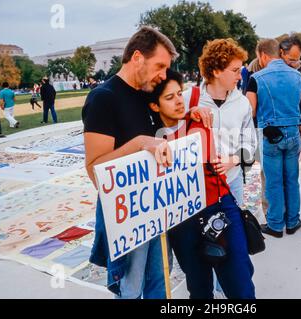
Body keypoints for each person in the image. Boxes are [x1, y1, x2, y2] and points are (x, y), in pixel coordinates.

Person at [82, 26, 180, 299]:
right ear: (137, 57)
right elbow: (95, 171)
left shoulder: (147, 95)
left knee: (160, 281)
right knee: (131, 289)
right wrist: (138, 144)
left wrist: (196, 113)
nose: (163, 74)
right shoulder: (103, 98)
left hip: (155, 208)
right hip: (127, 217)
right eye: (160, 66)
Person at [148, 68, 255, 299]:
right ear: (154, 106)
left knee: (240, 284)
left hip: (218, 207)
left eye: (179, 94)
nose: (178, 102)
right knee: (198, 287)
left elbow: (246, 147)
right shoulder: (151, 139)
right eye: (169, 97)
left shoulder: (199, 121)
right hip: (182, 219)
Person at [184, 38, 257, 207]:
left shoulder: (242, 102)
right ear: (216, 71)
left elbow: (251, 143)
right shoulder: (189, 98)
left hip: (233, 182)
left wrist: (233, 160)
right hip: (198, 186)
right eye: (235, 71)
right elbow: (169, 131)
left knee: (236, 232)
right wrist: (188, 113)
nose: (240, 76)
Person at [246, 39, 301, 238]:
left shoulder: (256, 77)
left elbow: (250, 110)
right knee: (292, 178)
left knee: (273, 181)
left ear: (262, 55)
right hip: (293, 132)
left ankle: (276, 224)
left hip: (270, 134)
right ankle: (293, 221)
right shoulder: (297, 75)